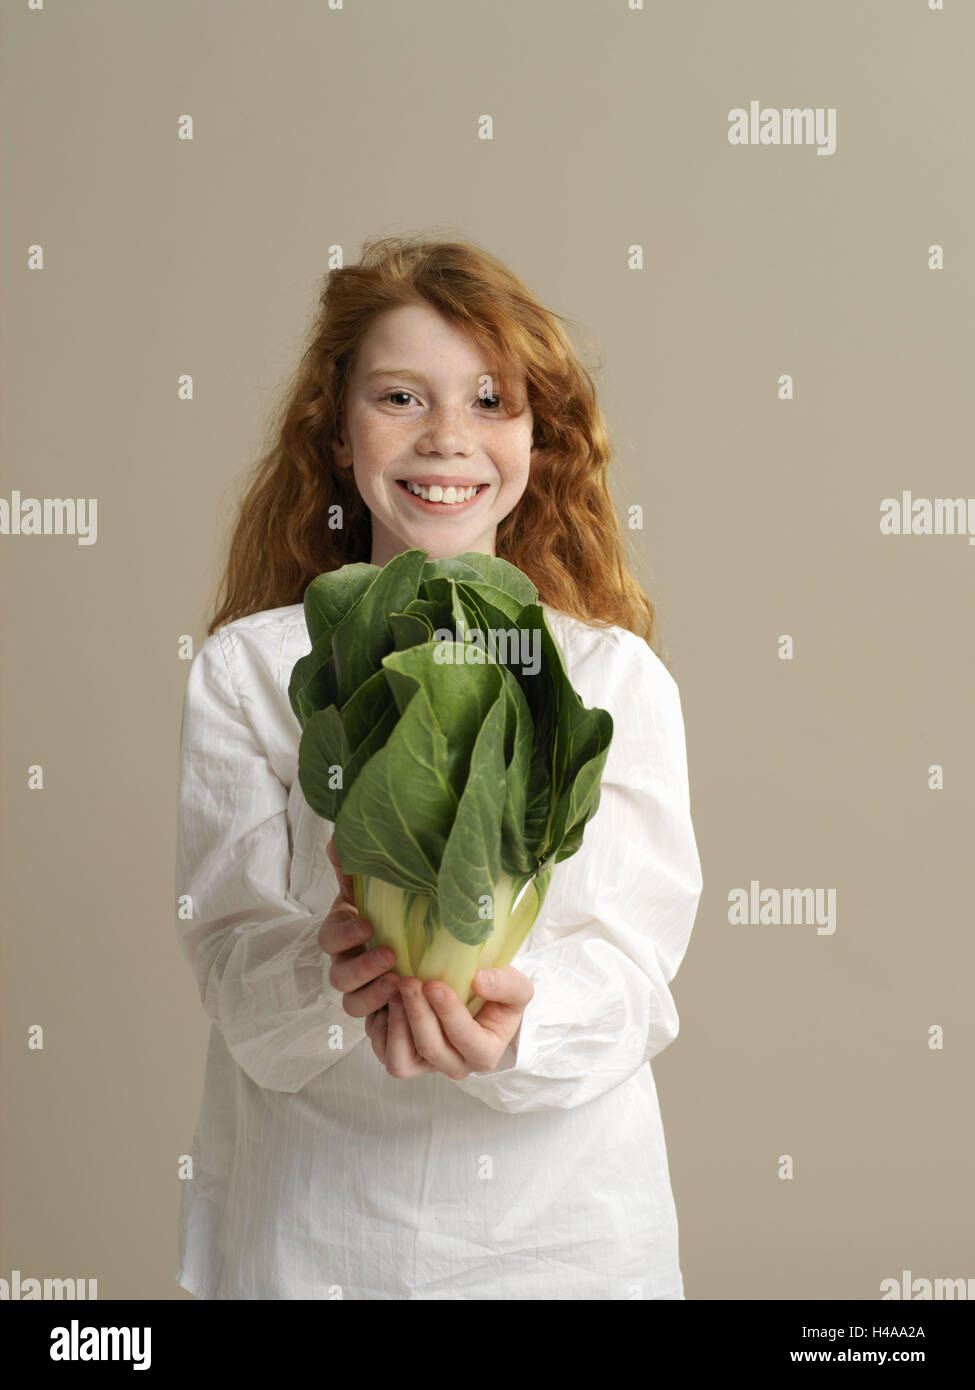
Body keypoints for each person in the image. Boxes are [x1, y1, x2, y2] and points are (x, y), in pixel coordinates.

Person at [173, 234, 704, 1300]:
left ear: (539, 437)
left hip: (566, 1241)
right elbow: (232, 960)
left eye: (492, 401)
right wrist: (334, 977)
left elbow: (638, 975)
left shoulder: (616, 679)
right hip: (319, 1235)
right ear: (335, 433)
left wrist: (521, 1018)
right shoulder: (251, 668)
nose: (447, 438)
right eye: (401, 398)